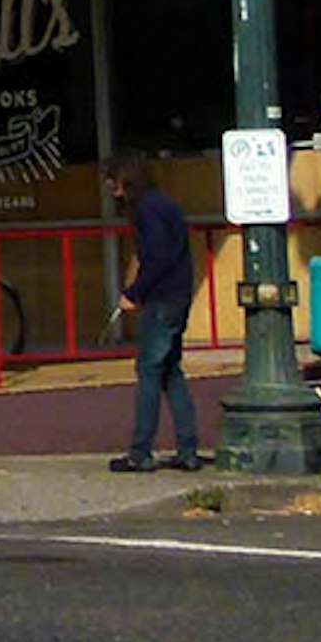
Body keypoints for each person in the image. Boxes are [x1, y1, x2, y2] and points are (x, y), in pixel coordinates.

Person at [110, 152, 202, 471]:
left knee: (149, 370)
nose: (112, 189)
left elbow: (157, 258)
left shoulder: (147, 210)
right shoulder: (163, 204)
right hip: (178, 295)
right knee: (170, 371)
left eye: (114, 181)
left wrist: (134, 293)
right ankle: (187, 447)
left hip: (162, 299)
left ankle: (141, 450)